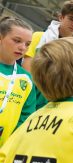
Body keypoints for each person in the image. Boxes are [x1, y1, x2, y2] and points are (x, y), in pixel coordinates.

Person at [22, 0, 73, 109]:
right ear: (61, 17)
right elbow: (26, 70)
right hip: (32, 95)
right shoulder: (39, 37)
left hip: (59, 100)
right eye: (71, 19)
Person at [0, 16, 36, 147]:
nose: (22, 48)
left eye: (27, 44)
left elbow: (26, 117)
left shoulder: (26, 79)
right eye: (17, 41)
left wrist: (12, 144)